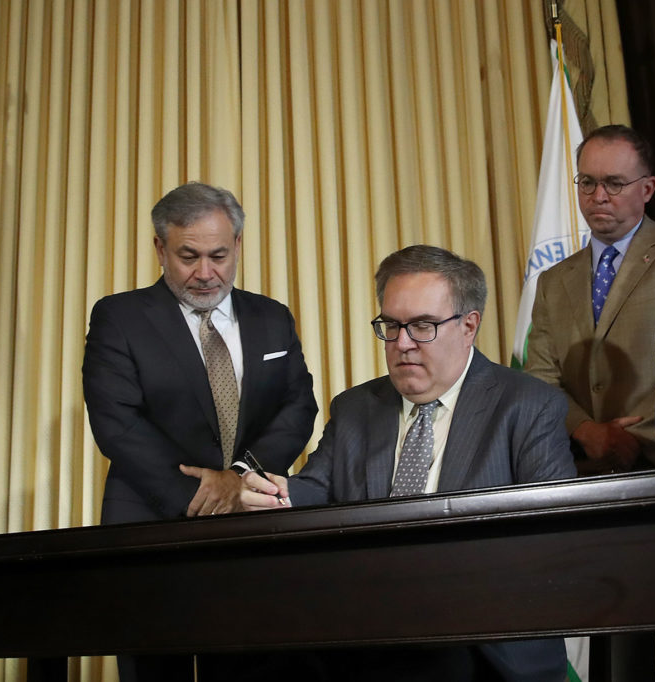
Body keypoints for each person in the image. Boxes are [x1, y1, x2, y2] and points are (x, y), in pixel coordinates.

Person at [242, 244, 575, 681]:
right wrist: (276, 493)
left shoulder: (528, 406)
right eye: (392, 325)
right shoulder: (356, 407)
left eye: (422, 326)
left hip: (480, 637)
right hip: (368, 630)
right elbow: (315, 491)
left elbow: (550, 538)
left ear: (469, 326)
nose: (401, 344)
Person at [82, 182, 317, 681]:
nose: (206, 273)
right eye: (189, 256)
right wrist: (201, 493)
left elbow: (298, 406)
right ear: (160, 248)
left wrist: (238, 478)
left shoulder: (272, 317)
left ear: (238, 246)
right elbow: (116, 422)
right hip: (151, 523)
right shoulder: (118, 317)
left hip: (255, 524)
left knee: (254, 666)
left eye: (219, 255)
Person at [525, 124, 655, 475]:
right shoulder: (552, 281)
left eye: (614, 183)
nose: (599, 196)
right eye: (588, 182)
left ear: (648, 188)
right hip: (583, 467)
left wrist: (635, 436)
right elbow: (540, 380)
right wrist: (586, 430)